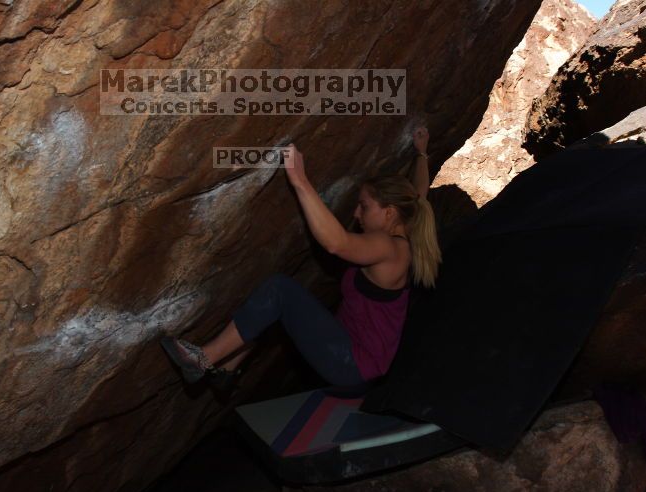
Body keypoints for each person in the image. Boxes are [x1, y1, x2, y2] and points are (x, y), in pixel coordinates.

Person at [161, 127, 441, 392]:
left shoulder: (388, 248)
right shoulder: (410, 225)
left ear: (389, 213)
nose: (356, 214)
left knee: (281, 291)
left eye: (364, 207)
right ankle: (228, 369)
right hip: (352, 352)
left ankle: (203, 360)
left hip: (351, 364)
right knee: (279, 308)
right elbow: (418, 194)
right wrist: (421, 153)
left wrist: (300, 180)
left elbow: (336, 243)